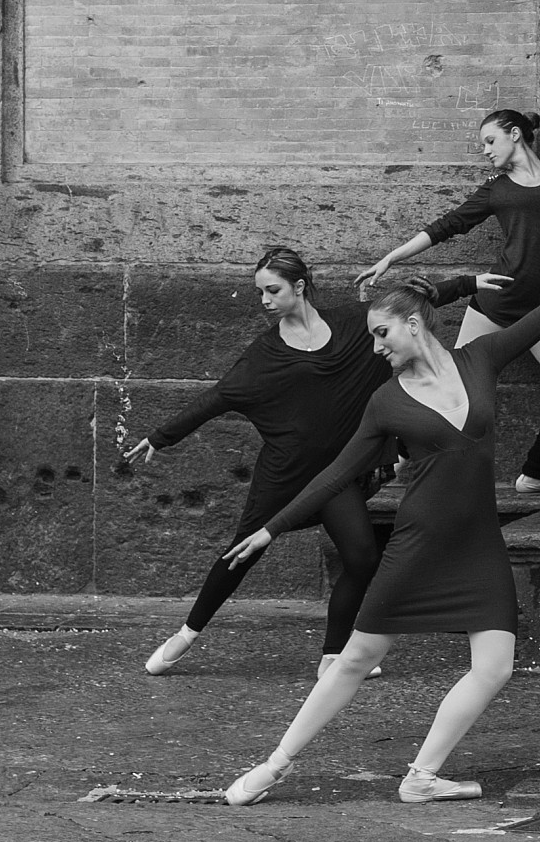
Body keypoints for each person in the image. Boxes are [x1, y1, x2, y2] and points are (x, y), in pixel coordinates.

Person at [219, 188, 540, 807]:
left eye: (382, 334)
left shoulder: (479, 359)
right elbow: (334, 475)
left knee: (495, 667)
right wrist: (268, 529)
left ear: (414, 322)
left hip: (477, 540)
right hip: (419, 540)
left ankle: (422, 776)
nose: (376, 348)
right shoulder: (386, 401)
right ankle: (274, 766)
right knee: (353, 659)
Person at [123, 244, 443, 679]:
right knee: (243, 550)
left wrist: (462, 286)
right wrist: (160, 437)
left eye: (272, 290)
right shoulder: (265, 353)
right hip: (286, 472)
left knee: (363, 558)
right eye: (260, 293)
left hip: (337, 475)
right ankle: (186, 634)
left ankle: (333, 657)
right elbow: (219, 397)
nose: (265, 301)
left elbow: (402, 314)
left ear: (300, 286)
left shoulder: (352, 323)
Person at [358, 108, 540, 490]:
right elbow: (448, 225)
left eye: (490, 141)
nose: (485, 151)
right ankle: (402, 459)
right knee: (448, 386)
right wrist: (391, 257)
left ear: (516, 134)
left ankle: (534, 474)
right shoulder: (496, 189)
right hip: (495, 303)